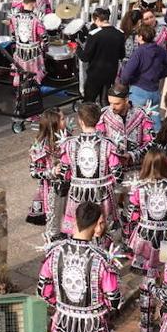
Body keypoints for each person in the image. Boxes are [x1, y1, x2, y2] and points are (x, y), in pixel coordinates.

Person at [37, 200, 129, 332]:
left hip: (64, 326)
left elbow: (43, 290)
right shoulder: (101, 259)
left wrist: (63, 305)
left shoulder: (55, 253)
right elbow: (114, 300)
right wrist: (97, 308)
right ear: (98, 225)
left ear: (76, 221)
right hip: (93, 329)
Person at [127, 150, 167, 332]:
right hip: (166, 241)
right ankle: (165, 321)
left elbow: (131, 216)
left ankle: (146, 325)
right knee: (166, 278)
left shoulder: (139, 189)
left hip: (145, 241)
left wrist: (127, 239)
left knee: (147, 279)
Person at [59, 102, 124, 238]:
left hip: (77, 195)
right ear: (99, 119)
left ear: (80, 121)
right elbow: (118, 176)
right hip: (102, 194)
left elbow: (64, 173)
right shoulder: (108, 145)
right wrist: (106, 181)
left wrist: (76, 178)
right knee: (102, 231)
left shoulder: (69, 144)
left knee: (79, 229)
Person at [28, 108, 67, 245]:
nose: (65, 121)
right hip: (52, 190)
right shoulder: (40, 145)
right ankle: (52, 251)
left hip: (70, 186)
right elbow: (33, 172)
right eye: (62, 119)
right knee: (54, 222)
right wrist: (51, 172)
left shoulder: (67, 137)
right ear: (53, 123)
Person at [118, 24, 167, 110]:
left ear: (140, 37)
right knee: (154, 121)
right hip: (154, 91)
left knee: (136, 119)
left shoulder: (139, 52)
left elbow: (126, 74)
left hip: (138, 90)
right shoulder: (159, 50)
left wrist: (124, 82)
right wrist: (159, 74)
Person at [77, 7, 127, 103]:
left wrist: (77, 49)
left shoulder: (94, 34)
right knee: (105, 101)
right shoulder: (119, 33)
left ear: (96, 19)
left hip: (95, 74)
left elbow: (85, 57)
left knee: (89, 101)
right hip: (111, 73)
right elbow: (121, 55)